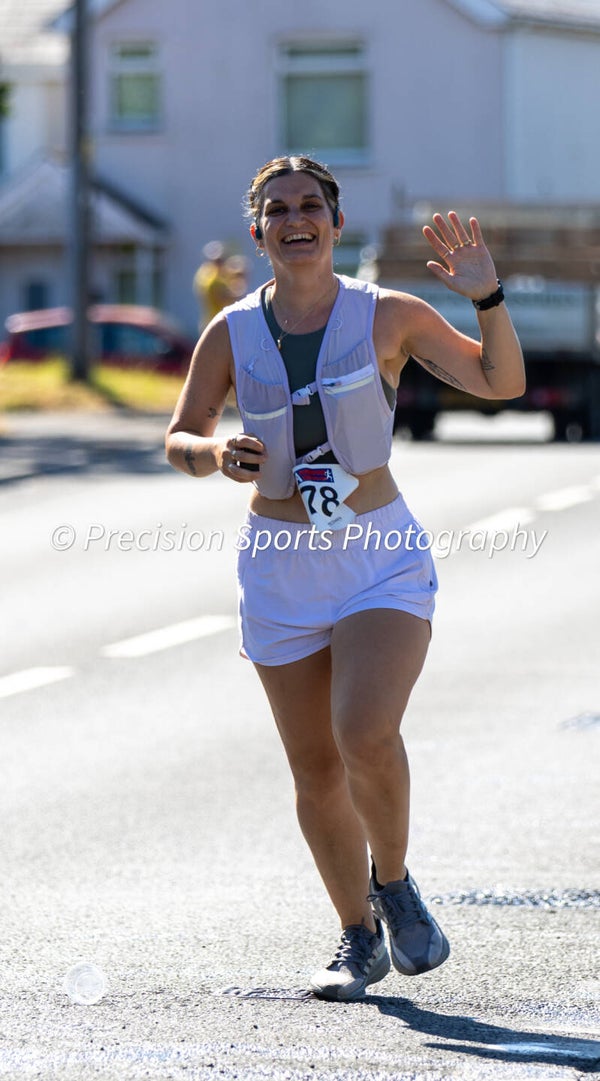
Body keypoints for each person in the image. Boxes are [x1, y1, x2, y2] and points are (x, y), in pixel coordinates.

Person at [166, 155, 525, 1001]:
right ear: (258, 232)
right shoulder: (231, 331)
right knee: (316, 771)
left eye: (311, 206)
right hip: (281, 562)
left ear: (334, 222)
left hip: (378, 557)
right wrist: (215, 454)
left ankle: (393, 885)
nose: (296, 219)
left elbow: (499, 380)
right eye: (278, 209)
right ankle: (355, 936)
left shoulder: (386, 315)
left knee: (364, 731)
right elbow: (179, 435)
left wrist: (487, 297)